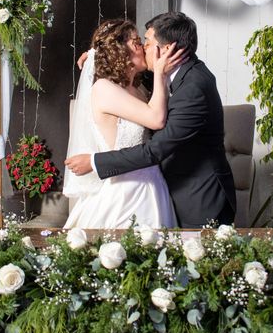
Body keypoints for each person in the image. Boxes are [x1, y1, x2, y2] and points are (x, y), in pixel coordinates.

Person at [66, 12, 236, 228]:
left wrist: (94, 161)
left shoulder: (194, 86)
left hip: (198, 195)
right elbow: (130, 78)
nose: (143, 47)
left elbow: (156, 148)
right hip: (139, 190)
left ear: (166, 49)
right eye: (139, 42)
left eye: (146, 42)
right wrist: (96, 54)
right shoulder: (148, 80)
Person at [63, 19, 183, 229]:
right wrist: (160, 75)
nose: (146, 48)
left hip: (153, 185)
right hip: (124, 192)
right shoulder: (104, 88)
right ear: (120, 52)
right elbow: (156, 119)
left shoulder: (138, 87)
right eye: (138, 43)